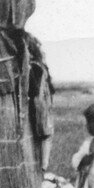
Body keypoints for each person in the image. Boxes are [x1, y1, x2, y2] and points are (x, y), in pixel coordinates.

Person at [25, 33, 55, 172]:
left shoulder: (34, 67)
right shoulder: (42, 66)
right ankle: (44, 165)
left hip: (39, 106)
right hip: (45, 106)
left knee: (43, 136)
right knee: (46, 137)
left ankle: (43, 165)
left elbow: (34, 90)